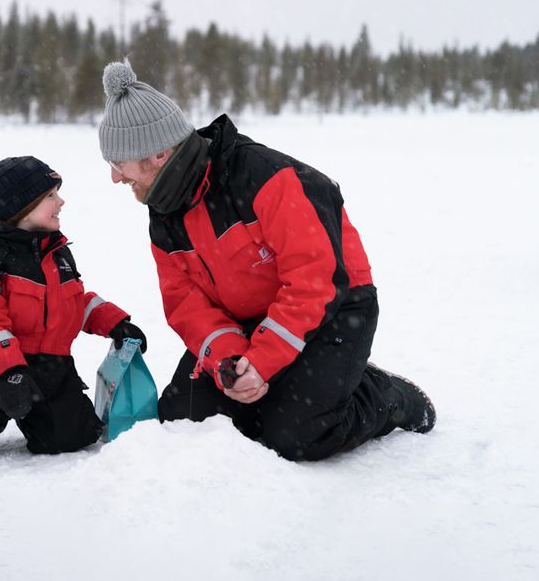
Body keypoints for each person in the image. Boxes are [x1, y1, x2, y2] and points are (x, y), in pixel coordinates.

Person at [96, 60, 435, 462]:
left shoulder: (266, 179)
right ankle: (294, 385)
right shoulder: (164, 211)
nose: (116, 178)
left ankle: (381, 393)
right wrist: (231, 358)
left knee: (295, 435)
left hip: (333, 308)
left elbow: (315, 281)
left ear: (158, 153)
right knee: (186, 420)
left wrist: (264, 360)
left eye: (118, 164)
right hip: (245, 319)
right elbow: (185, 302)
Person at [0, 156, 147, 459]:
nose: (61, 201)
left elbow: (73, 303)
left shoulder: (57, 253)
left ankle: (44, 418)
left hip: (52, 368)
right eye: (50, 195)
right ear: (22, 208)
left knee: (72, 437)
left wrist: (114, 323)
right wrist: (10, 370)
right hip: (3, 367)